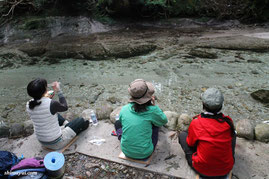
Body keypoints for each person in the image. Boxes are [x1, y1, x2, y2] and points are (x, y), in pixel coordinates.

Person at [178, 88, 236, 178]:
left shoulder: (196, 122)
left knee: (182, 135)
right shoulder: (228, 122)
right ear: (221, 105)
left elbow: (190, 143)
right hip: (226, 168)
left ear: (203, 104)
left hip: (202, 169)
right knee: (233, 134)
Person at [26, 78, 89, 150]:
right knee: (82, 120)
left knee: (53, 115)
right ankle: (68, 126)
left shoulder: (28, 104)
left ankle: (67, 125)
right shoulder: (51, 103)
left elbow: (41, 106)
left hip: (42, 141)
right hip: (56, 142)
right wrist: (59, 90)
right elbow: (65, 107)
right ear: (44, 91)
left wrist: (46, 98)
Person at [115, 79, 168, 159]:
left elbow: (123, 122)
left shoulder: (124, 109)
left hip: (126, 151)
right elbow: (163, 121)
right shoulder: (153, 111)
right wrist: (153, 106)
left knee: (117, 123)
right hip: (145, 153)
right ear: (149, 96)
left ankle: (121, 137)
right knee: (155, 125)